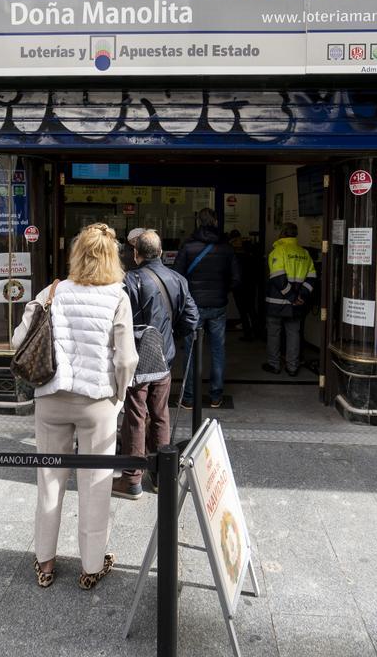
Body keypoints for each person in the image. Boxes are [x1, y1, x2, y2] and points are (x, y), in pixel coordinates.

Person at [12, 223, 138, 590]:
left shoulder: (53, 291)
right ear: (113, 258)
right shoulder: (118, 296)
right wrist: (119, 393)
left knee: (49, 480)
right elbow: (126, 359)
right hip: (96, 401)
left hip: (51, 396)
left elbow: (20, 338)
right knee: (96, 483)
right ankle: (91, 566)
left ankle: (45, 563)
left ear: (76, 255)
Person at [113, 230, 199, 501]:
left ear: (136, 254)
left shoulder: (128, 281)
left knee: (135, 416)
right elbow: (192, 319)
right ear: (161, 252)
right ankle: (163, 476)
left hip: (136, 358)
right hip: (164, 357)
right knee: (160, 413)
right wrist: (168, 333)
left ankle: (132, 480)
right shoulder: (178, 279)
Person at [174, 208, 240, 408]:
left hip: (193, 307)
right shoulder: (227, 248)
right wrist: (222, 292)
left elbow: (177, 276)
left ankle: (188, 397)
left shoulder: (188, 247)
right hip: (218, 307)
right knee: (218, 350)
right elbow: (237, 279)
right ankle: (216, 396)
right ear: (216, 221)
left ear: (198, 222)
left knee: (191, 351)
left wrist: (187, 298)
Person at [262, 223, 317, 377]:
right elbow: (312, 277)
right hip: (296, 304)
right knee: (293, 334)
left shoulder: (278, 251)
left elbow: (278, 279)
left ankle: (274, 365)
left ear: (282, 233)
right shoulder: (305, 253)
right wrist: (301, 296)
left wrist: (291, 297)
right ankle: (292, 367)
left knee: (274, 333)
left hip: (277, 303)